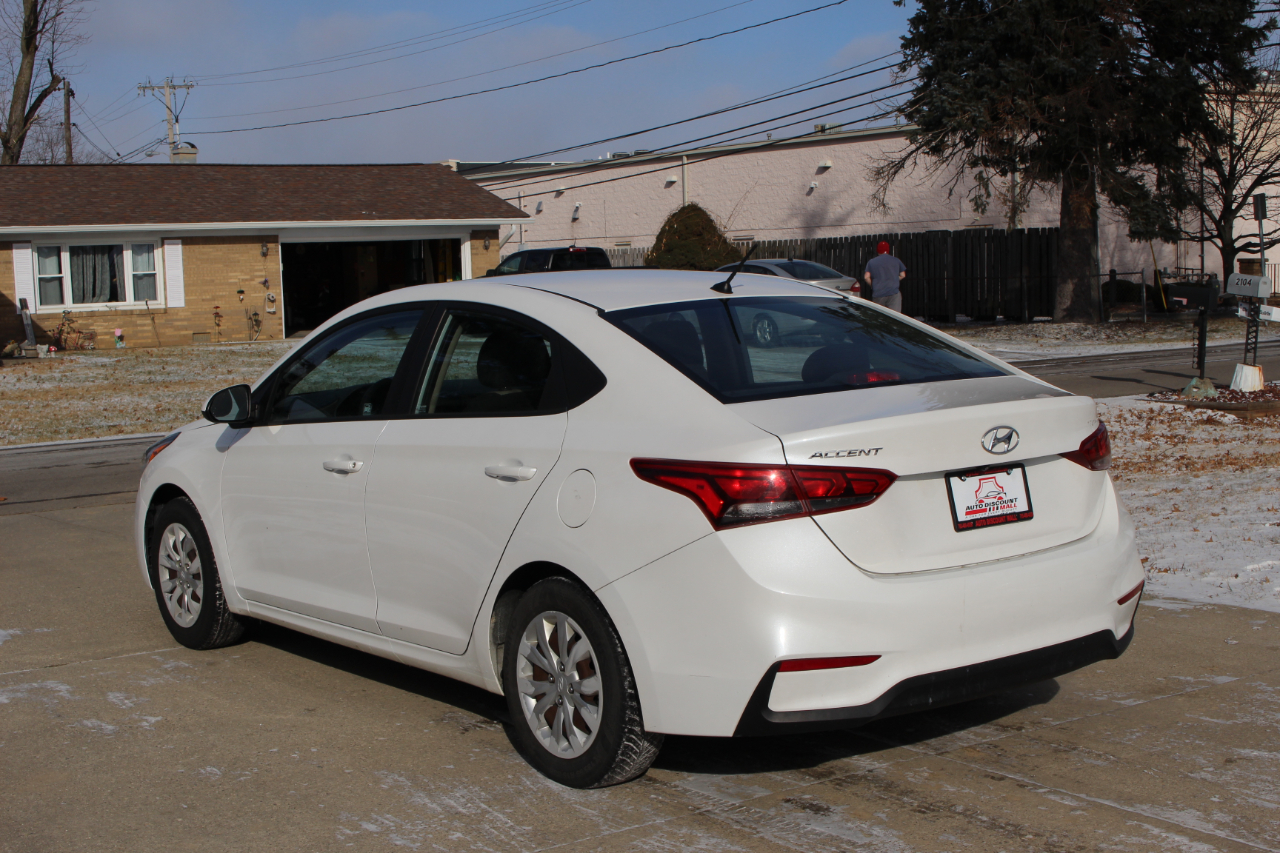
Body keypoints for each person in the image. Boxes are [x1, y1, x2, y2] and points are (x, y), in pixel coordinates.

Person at [863, 241, 906, 313]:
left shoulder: (871, 262)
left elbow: (866, 277)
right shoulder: (896, 260)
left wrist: (873, 285)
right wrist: (894, 280)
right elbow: (903, 275)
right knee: (894, 316)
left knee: (879, 316)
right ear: (888, 250)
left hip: (878, 293)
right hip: (893, 293)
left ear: (878, 250)